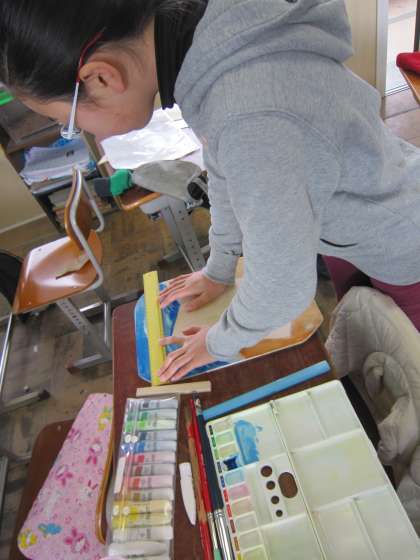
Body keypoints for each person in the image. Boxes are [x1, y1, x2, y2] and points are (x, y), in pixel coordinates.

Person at [2, 0, 420, 384]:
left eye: (69, 124)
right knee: (368, 344)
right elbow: (223, 173)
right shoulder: (209, 48)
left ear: (100, 77)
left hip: (402, 245)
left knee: (407, 373)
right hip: (352, 220)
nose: (81, 134)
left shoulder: (247, 111)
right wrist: (220, 268)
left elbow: (281, 287)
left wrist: (217, 342)